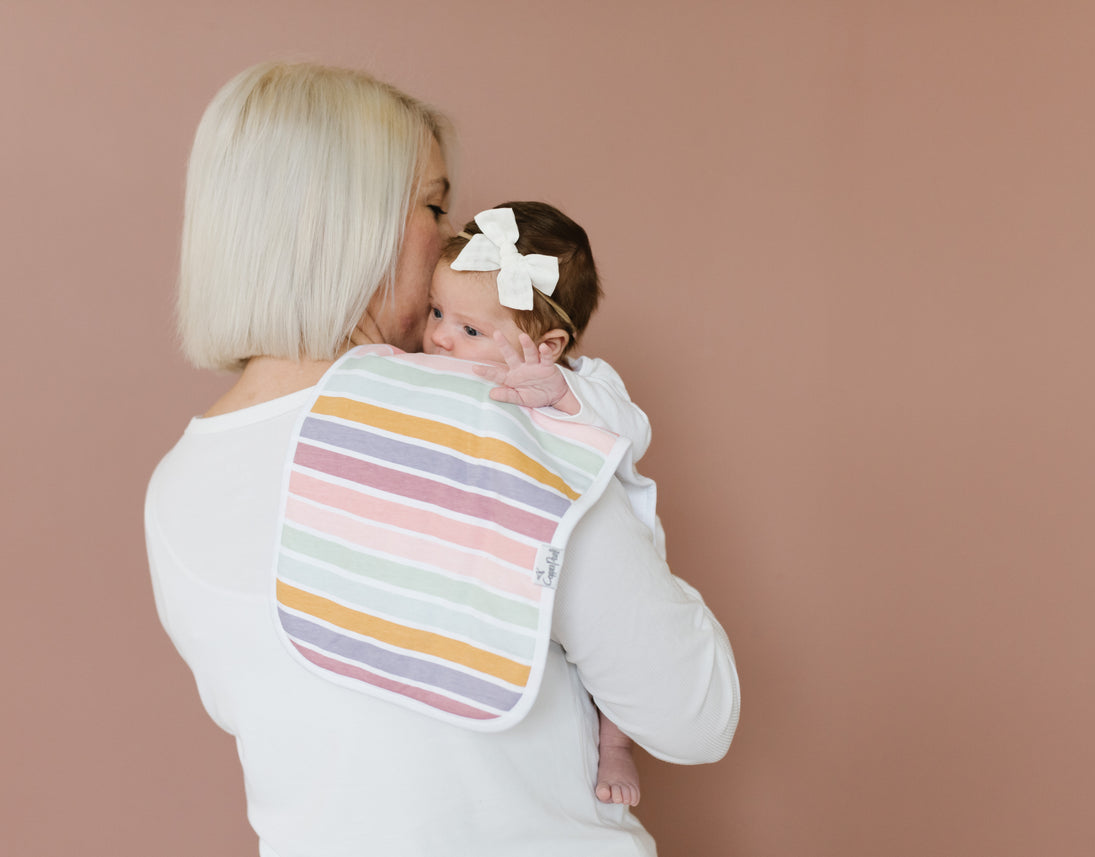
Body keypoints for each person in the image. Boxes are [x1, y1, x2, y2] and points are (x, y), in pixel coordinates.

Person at [145, 61, 739, 857]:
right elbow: (695, 711)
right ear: (352, 221)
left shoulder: (176, 487)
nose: (455, 239)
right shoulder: (494, 414)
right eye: (435, 205)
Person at [423, 201, 665, 805]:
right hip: (512, 547)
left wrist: (562, 396)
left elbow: (633, 433)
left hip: (592, 548)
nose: (441, 337)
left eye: (470, 331)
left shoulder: (586, 383)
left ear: (549, 346)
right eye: (436, 311)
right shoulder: (441, 370)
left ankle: (616, 745)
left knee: (609, 662)